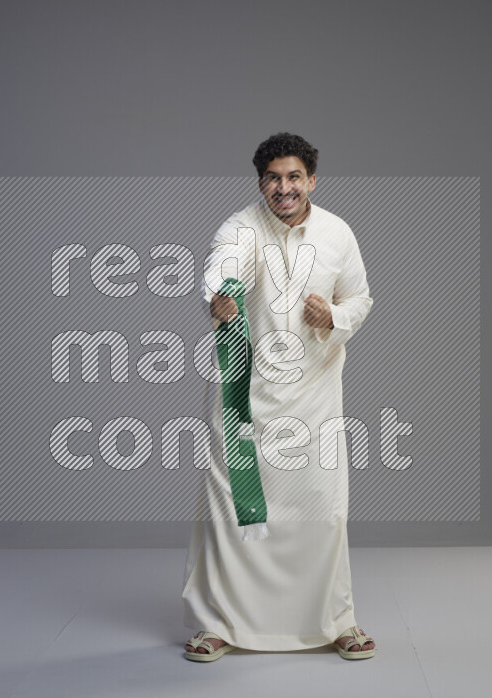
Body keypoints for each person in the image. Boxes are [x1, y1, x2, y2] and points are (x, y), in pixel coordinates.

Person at [182, 132, 376, 661]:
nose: (283, 188)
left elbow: (360, 296)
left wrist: (333, 317)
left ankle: (337, 619)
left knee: (325, 507)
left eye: (294, 177)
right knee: (231, 511)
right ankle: (217, 623)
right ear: (260, 182)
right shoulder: (240, 227)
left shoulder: (337, 233)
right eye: (273, 177)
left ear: (311, 180)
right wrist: (221, 297)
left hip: (314, 396)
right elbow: (223, 265)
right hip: (244, 396)